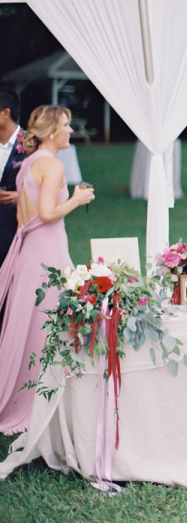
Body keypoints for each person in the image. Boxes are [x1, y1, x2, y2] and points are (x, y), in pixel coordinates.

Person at [0, 105, 94, 434]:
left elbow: (23, 218)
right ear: (52, 131)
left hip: (29, 251)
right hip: (46, 253)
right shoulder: (52, 166)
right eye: (66, 125)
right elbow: (48, 213)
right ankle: (43, 401)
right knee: (49, 329)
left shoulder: (27, 163)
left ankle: (29, 395)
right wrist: (77, 200)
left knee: (32, 330)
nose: (70, 131)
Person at [0, 90, 25, 332]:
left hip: (13, 228)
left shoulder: (30, 144)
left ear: (5, 113)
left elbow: (44, 183)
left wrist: (21, 196)